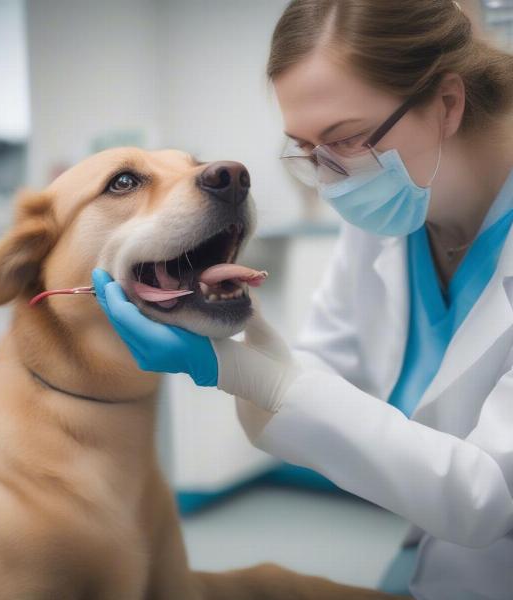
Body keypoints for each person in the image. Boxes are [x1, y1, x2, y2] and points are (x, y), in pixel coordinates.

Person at [91, 1, 513, 598]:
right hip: (438, 558)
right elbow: (327, 370)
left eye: (344, 138)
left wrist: (255, 378)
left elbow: (489, 497)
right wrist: (243, 335)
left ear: (447, 103)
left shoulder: (392, 186)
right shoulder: (391, 206)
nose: (332, 173)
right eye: (307, 149)